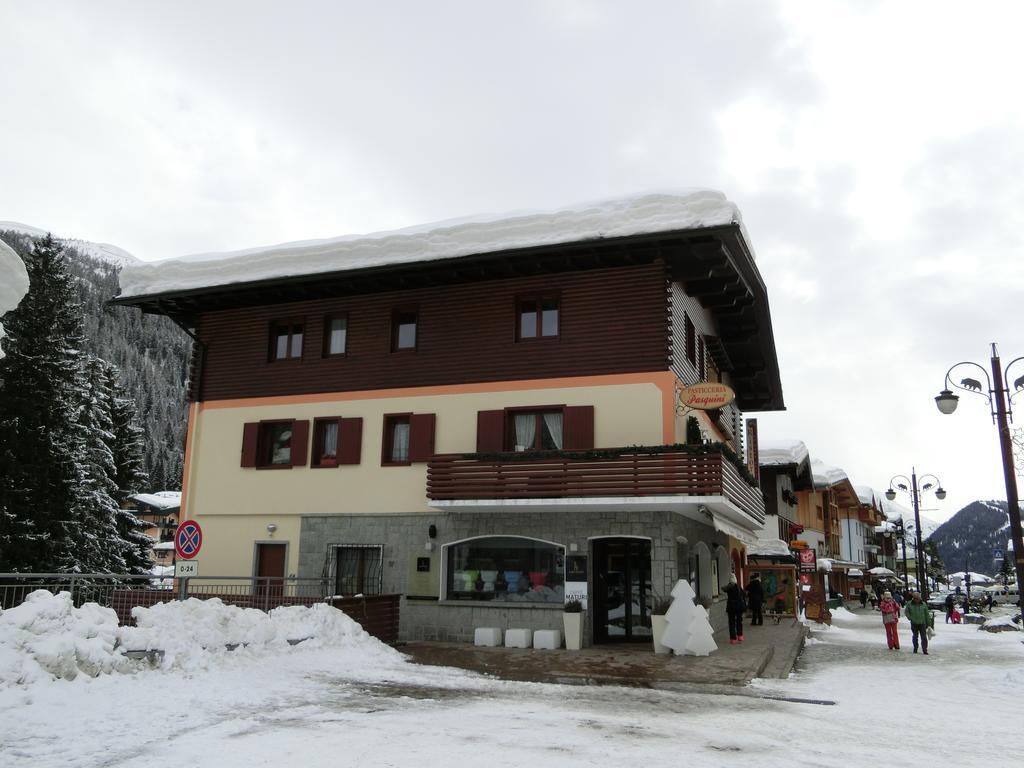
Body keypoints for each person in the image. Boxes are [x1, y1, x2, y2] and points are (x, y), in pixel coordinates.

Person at [724, 573, 745, 644]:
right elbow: (744, 594)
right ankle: (740, 636)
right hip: (739, 607)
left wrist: (730, 584)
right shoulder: (739, 587)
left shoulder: (729, 588)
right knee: (739, 621)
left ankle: (733, 639)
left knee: (731, 622)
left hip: (731, 607)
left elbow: (723, 589)